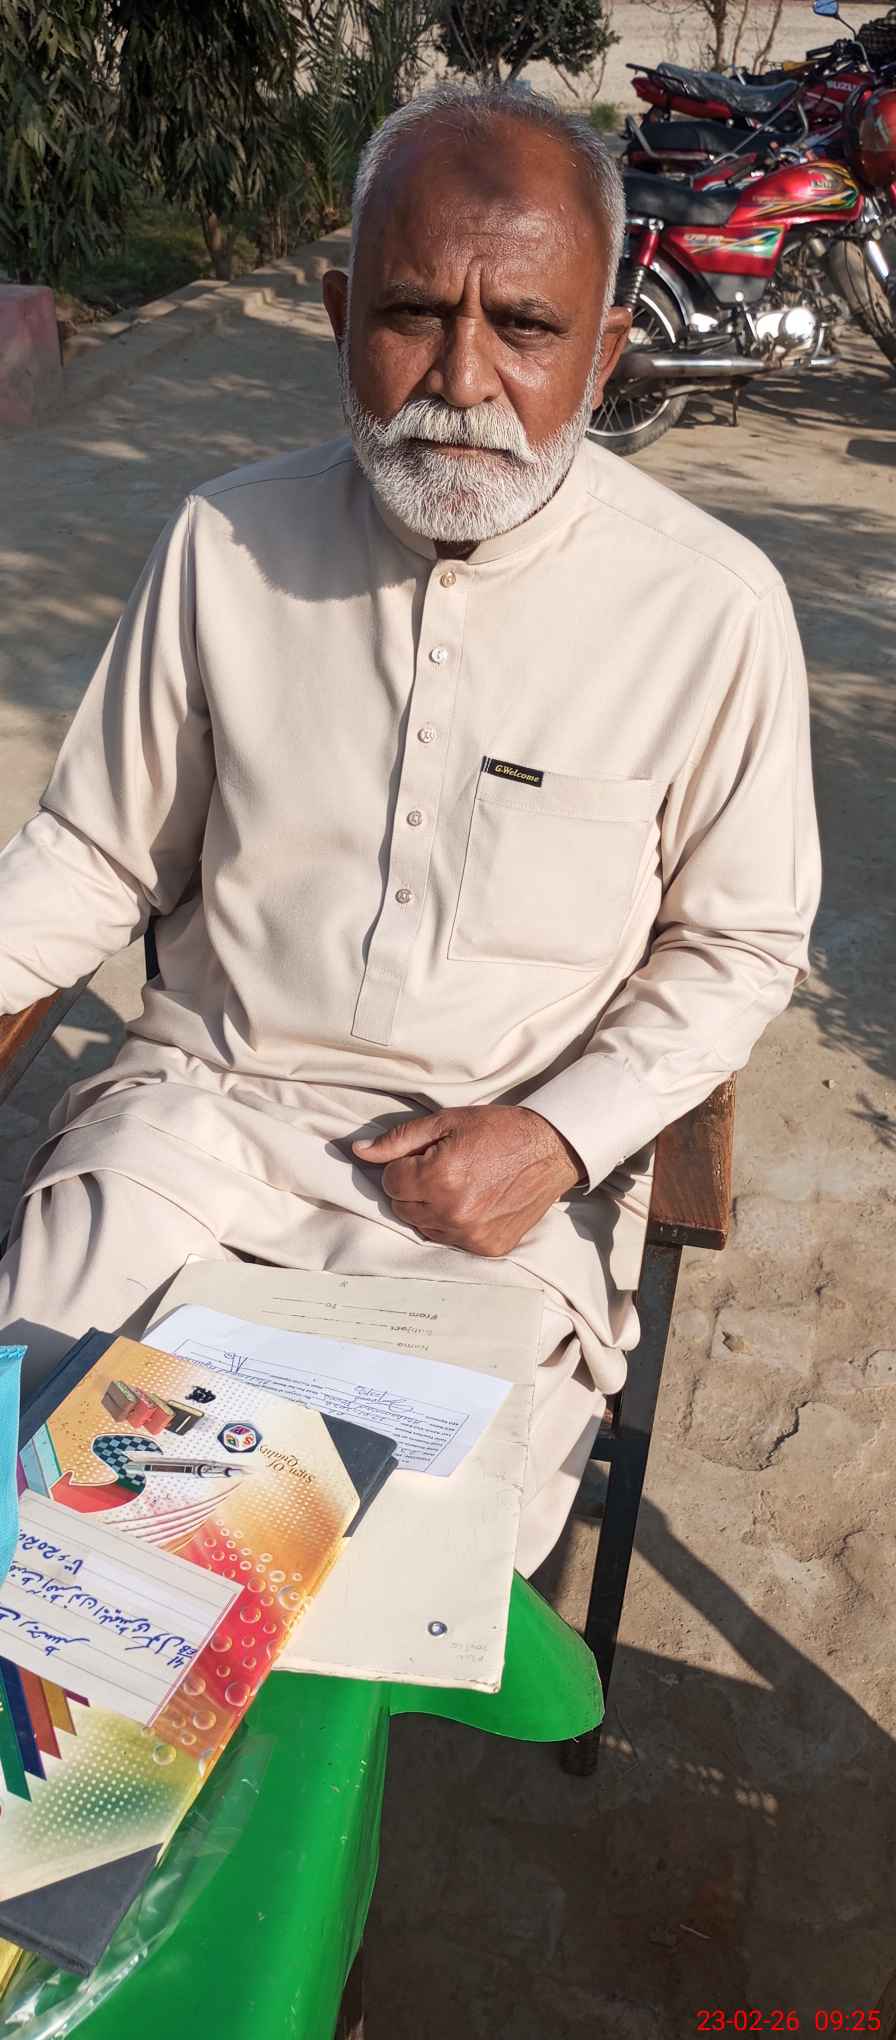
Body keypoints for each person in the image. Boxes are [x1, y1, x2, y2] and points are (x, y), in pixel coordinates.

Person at [0, 84, 820, 1577]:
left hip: (488, 1207)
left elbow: (741, 943)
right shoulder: (224, 544)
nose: (463, 380)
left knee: (363, 1589)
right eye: (411, 315)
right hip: (198, 1135)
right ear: (337, 317)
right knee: (34, 1503)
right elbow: (97, 851)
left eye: (526, 327)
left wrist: (560, 1140)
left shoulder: (710, 610)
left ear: (607, 350)